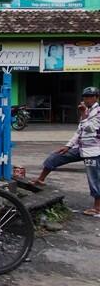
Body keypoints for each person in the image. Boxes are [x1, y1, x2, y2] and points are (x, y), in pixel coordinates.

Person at [33, 87, 100, 216]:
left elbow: (91, 129)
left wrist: (83, 115)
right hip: (81, 147)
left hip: (94, 150)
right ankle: (40, 179)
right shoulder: (87, 111)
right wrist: (68, 146)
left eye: (91, 96)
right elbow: (79, 131)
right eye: (85, 96)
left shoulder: (97, 112)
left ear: (96, 97)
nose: (87, 99)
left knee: (94, 179)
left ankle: (97, 207)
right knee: (55, 157)